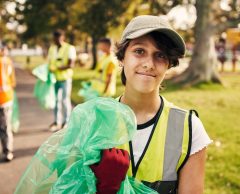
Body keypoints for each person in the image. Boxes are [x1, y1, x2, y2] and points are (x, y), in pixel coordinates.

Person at [90, 15, 212, 194]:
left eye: (160, 55)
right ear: (122, 58)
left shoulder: (189, 128)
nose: (149, 64)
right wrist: (104, 188)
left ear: (169, 64)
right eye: (139, 51)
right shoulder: (95, 121)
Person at [48, 29, 76, 132]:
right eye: (55, 39)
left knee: (65, 100)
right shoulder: (52, 48)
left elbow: (71, 64)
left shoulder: (70, 48)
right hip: (54, 79)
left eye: (58, 38)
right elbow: (50, 62)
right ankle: (57, 122)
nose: (56, 41)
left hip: (65, 79)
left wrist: (58, 68)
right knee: (55, 100)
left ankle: (66, 122)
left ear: (62, 38)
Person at [0, 45, 16, 161]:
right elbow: (13, 81)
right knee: (5, 127)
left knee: (4, 127)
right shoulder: (8, 61)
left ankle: (7, 151)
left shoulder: (3, 62)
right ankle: (8, 151)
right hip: (7, 98)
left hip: (3, 99)